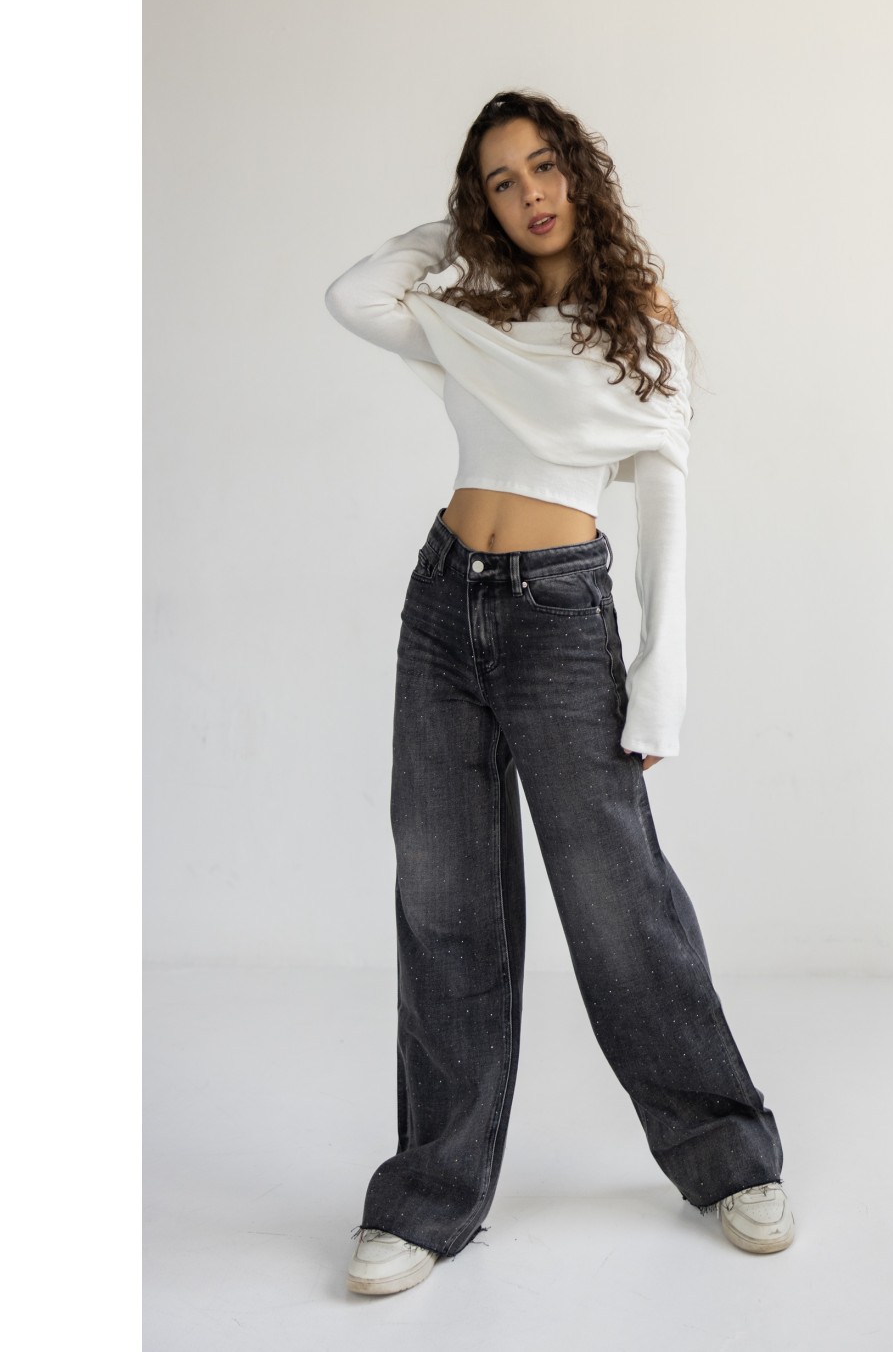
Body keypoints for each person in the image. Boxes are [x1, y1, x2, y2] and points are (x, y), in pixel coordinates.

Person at [324, 90, 793, 1296]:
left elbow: (666, 505)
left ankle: (727, 1151)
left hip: (559, 620)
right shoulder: (470, 318)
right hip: (443, 606)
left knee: (618, 901)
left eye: (543, 166)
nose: (531, 193)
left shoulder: (641, 329)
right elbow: (354, 295)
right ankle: (429, 1198)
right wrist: (454, 230)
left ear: (580, 173)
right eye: (501, 180)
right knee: (442, 903)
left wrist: (659, 685)